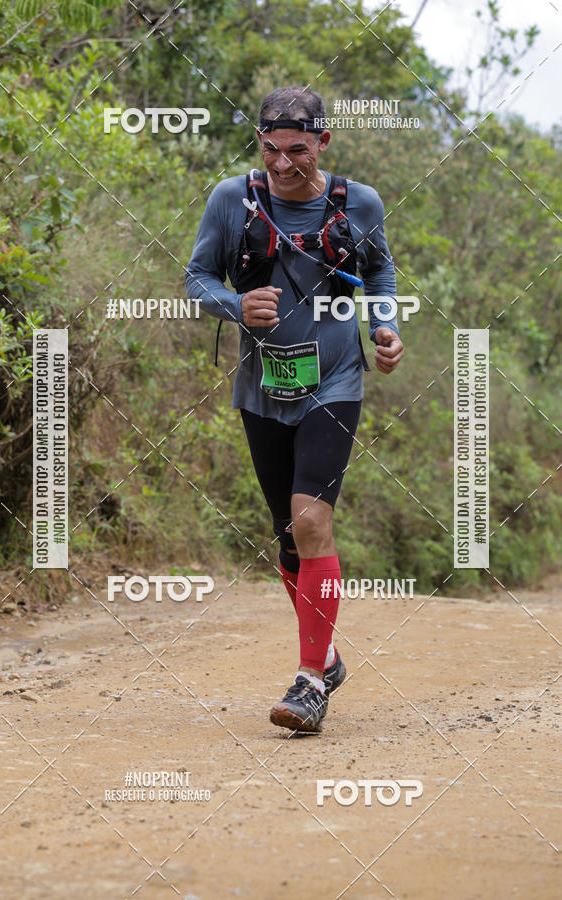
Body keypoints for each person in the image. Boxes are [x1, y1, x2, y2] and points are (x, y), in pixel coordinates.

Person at [186, 86, 404, 733]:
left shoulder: (358, 204)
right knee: (287, 537)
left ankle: (310, 683)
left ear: (324, 143)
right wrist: (235, 305)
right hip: (261, 388)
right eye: (272, 150)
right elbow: (198, 277)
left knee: (311, 522)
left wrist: (383, 328)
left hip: (335, 381)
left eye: (299, 152)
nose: (284, 165)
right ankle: (328, 654)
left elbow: (382, 274)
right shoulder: (233, 200)